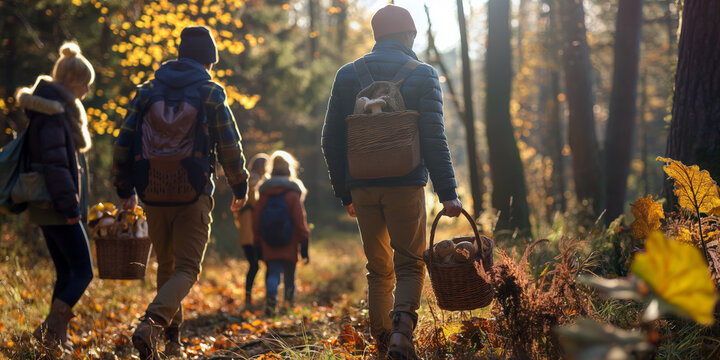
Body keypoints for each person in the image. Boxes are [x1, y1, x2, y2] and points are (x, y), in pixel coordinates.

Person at [320, 5, 463, 359]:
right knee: (410, 264)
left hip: (362, 187)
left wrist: (345, 191)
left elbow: (330, 140)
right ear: (409, 34)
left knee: (377, 269)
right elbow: (434, 138)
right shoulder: (424, 74)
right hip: (405, 185)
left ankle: (383, 345)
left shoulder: (346, 75)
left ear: (376, 36)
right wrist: (448, 194)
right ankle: (402, 333)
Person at [112, 25, 249, 359]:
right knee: (187, 269)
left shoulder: (147, 91)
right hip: (193, 191)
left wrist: (124, 185)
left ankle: (172, 343)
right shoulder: (211, 91)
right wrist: (239, 184)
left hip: (152, 190)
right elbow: (230, 144)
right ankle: (152, 324)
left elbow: (123, 140)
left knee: (166, 265)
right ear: (209, 61)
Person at [15, 42, 95, 352]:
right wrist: (69, 205)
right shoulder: (53, 115)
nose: (87, 89)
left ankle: (54, 340)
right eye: (84, 83)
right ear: (71, 82)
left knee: (66, 271)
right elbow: (55, 164)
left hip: (49, 204)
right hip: (56, 203)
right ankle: (49, 327)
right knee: (84, 272)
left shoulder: (52, 110)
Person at [252, 150, 310, 316]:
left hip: (268, 240)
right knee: (290, 275)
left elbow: (256, 219)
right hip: (289, 241)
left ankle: (271, 300)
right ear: (289, 168)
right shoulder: (293, 193)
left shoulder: (264, 192)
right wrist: (304, 242)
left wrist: (257, 239)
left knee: (273, 273)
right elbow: (300, 220)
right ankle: (288, 306)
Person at [233, 153, 270, 306]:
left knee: (254, 265)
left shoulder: (245, 182)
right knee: (261, 264)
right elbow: (256, 202)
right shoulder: (255, 182)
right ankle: (266, 297)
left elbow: (236, 209)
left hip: (247, 233)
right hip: (255, 233)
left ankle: (250, 297)